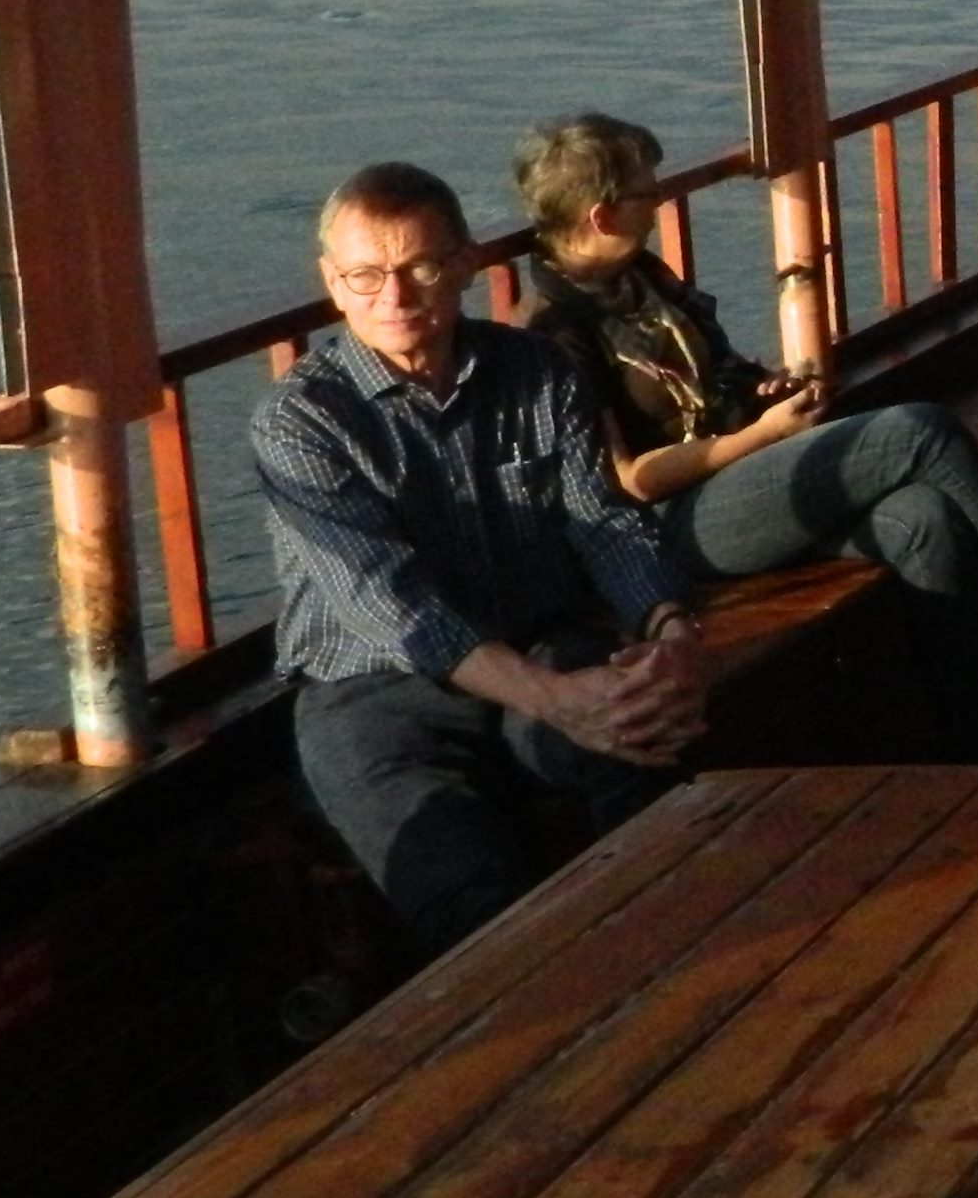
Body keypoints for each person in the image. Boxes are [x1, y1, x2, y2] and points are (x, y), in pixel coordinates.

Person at [255, 161, 706, 952]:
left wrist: (670, 631)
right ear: (332, 283)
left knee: (653, 758)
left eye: (421, 268)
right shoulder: (301, 421)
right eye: (365, 276)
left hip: (539, 637)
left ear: (465, 263)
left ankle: (685, 965)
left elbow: (603, 520)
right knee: (467, 902)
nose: (394, 296)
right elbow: (391, 604)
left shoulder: (536, 371)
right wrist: (556, 700)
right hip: (375, 686)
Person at [507, 114, 978, 686]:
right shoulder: (554, 332)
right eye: (648, 193)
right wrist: (765, 434)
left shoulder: (642, 277)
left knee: (924, 518)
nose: (661, 201)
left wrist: (762, 390)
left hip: (735, 477)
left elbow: (712, 374)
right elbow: (630, 481)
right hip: (666, 528)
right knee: (918, 430)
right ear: (603, 216)